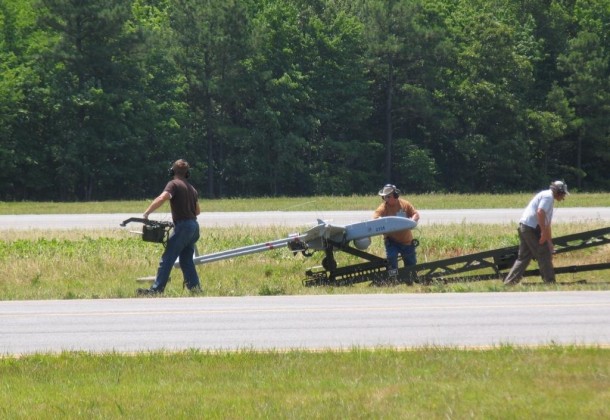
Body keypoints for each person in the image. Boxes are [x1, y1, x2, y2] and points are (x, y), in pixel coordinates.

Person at [137, 159, 202, 295]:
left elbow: (163, 197)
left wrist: (147, 213)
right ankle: (195, 289)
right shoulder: (192, 189)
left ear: (172, 171)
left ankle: (156, 290)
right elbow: (197, 212)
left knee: (167, 258)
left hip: (183, 227)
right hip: (194, 227)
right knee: (186, 260)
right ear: (187, 173)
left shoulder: (173, 184)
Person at [504, 180, 569, 285]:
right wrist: (543, 233)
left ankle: (509, 283)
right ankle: (550, 282)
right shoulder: (548, 197)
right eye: (563, 194)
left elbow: (547, 224)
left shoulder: (548, 197)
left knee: (524, 257)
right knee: (544, 254)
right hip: (531, 228)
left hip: (525, 226)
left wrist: (549, 242)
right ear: (558, 192)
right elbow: (540, 212)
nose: (564, 197)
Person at [373, 184, 420, 273]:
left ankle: (411, 279)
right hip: (391, 241)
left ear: (395, 195)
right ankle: (393, 280)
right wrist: (380, 220)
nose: (385, 199)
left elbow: (415, 214)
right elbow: (375, 218)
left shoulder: (405, 204)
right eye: (384, 197)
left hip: (406, 241)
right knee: (391, 261)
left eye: (387, 197)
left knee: (411, 264)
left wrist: (412, 222)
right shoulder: (383, 207)